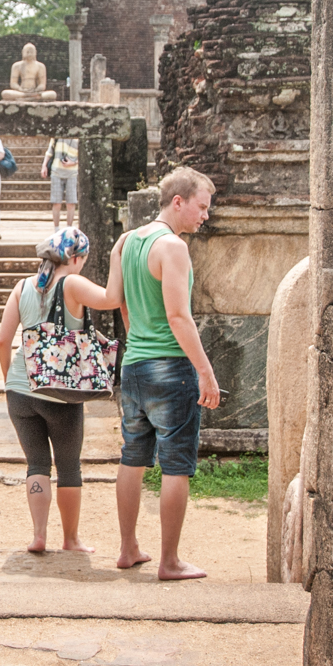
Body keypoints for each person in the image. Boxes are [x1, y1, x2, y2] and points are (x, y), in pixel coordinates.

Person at [102, 166, 221, 581]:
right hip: (170, 367)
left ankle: (128, 547)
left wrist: (137, 339)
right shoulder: (172, 247)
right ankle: (170, 562)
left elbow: (116, 299)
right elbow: (178, 315)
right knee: (175, 464)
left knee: (132, 457)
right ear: (179, 201)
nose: (204, 216)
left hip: (134, 364)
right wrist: (205, 372)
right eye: (201, 207)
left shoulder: (126, 242)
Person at [0, 227, 119, 554]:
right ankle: (71, 539)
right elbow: (112, 300)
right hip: (60, 391)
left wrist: (13, 380)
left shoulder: (23, 287)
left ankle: (38, 535)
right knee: (68, 467)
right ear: (75, 257)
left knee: (36, 463)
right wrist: (119, 257)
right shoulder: (72, 283)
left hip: (20, 390)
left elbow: (3, 340)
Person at [40, 136, 79, 228]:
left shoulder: (78, 137)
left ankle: (69, 228)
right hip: (56, 171)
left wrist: (73, 162)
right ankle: (56, 229)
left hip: (72, 172)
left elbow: (84, 154)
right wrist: (44, 165)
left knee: (71, 202)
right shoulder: (56, 136)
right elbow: (50, 151)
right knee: (56, 202)